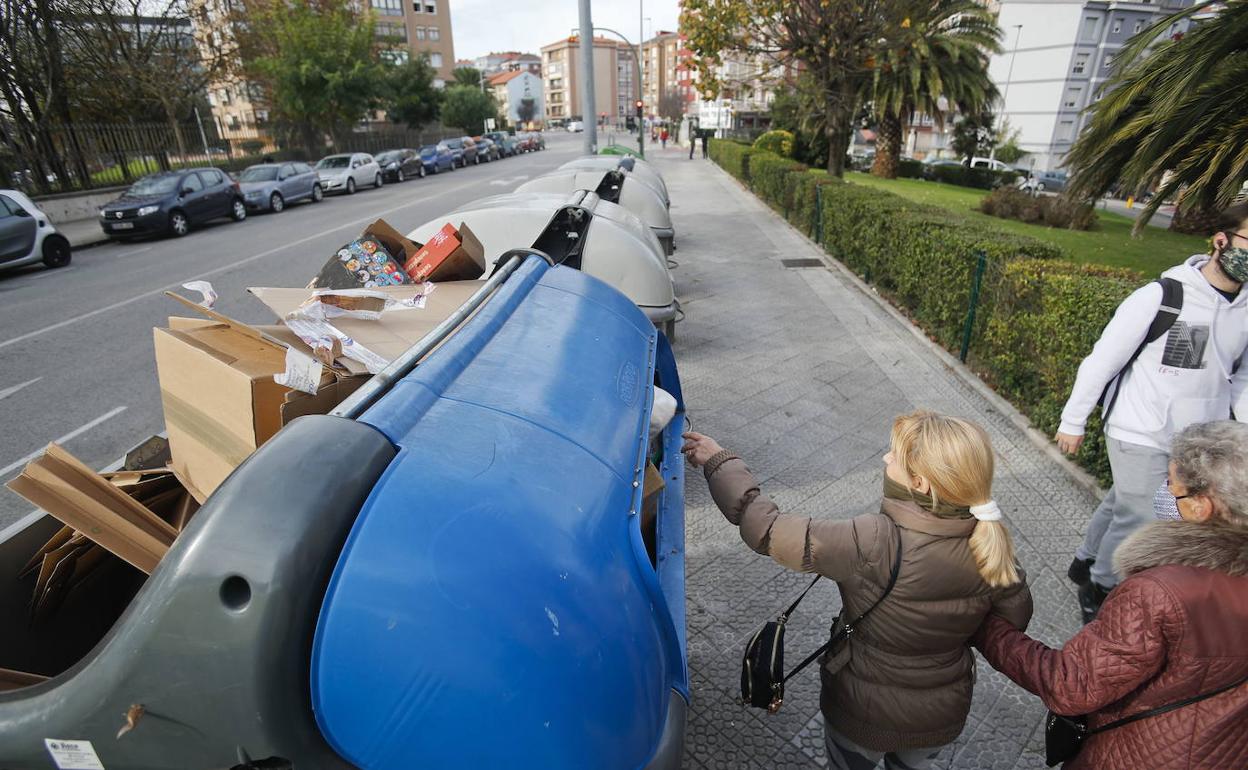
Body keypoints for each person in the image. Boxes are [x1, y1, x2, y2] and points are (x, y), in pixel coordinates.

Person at [683, 411, 1032, 770]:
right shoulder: (994, 548)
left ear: (921, 483)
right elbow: (1013, 621)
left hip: (861, 711)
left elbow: (766, 529)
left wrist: (719, 461)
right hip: (940, 717)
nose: (885, 458)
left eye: (895, 455)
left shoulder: (873, 540)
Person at [974, 420, 1248, 770]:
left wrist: (988, 629)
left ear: (1200, 507)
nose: (1163, 490)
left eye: (1171, 483)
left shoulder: (1159, 594)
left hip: (1138, 756)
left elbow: (1071, 684)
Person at [1056, 202, 1248, 622]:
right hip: (1138, 427)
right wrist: (1073, 421)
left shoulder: (1247, 311)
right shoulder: (1161, 296)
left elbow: (1242, 376)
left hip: (1201, 441)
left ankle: (1085, 559)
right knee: (1142, 514)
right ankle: (1103, 586)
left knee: (1121, 500)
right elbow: (1102, 360)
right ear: (1221, 241)